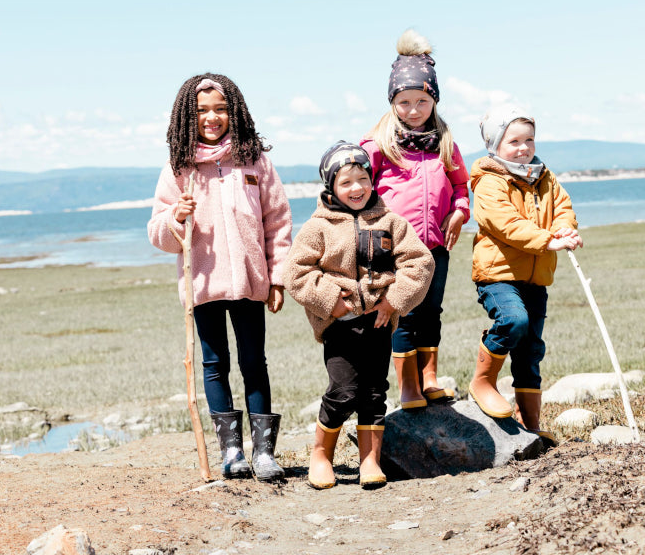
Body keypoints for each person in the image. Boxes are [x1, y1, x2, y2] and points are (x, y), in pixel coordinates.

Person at [147, 73, 292, 481]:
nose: (212, 117)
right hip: (203, 286)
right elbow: (157, 231)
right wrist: (175, 218)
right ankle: (232, 452)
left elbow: (277, 221)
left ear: (235, 112)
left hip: (250, 282)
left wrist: (277, 278)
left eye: (220, 109)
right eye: (202, 111)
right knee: (214, 364)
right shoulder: (180, 167)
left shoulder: (254, 161)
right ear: (187, 117)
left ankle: (264, 453)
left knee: (254, 362)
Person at [284, 141, 433, 490]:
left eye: (363, 179)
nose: (357, 188)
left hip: (379, 322)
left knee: (374, 392)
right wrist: (329, 300)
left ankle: (370, 459)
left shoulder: (391, 222)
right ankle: (321, 455)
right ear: (331, 186)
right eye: (346, 182)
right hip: (339, 326)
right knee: (343, 390)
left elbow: (419, 262)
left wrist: (394, 300)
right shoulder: (318, 227)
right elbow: (295, 273)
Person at [361, 29, 470, 409]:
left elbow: (460, 185)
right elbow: (358, 191)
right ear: (392, 102)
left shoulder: (444, 142)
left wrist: (459, 212)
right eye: (404, 101)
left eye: (421, 100)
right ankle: (408, 387)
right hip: (396, 249)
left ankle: (429, 378)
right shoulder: (378, 144)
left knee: (431, 312)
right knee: (403, 313)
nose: (413, 109)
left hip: (436, 246)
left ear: (433, 101)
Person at [469, 106, 582, 446]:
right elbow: (505, 224)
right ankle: (483, 381)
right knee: (514, 322)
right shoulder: (489, 181)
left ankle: (530, 422)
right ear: (494, 144)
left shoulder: (543, 176)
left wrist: (564, 228)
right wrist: (549, 240)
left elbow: (562, 206)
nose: (523, 148)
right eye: (513, 141)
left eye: (529, 140)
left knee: (531, 347)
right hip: (498, 273)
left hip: (536, 276)